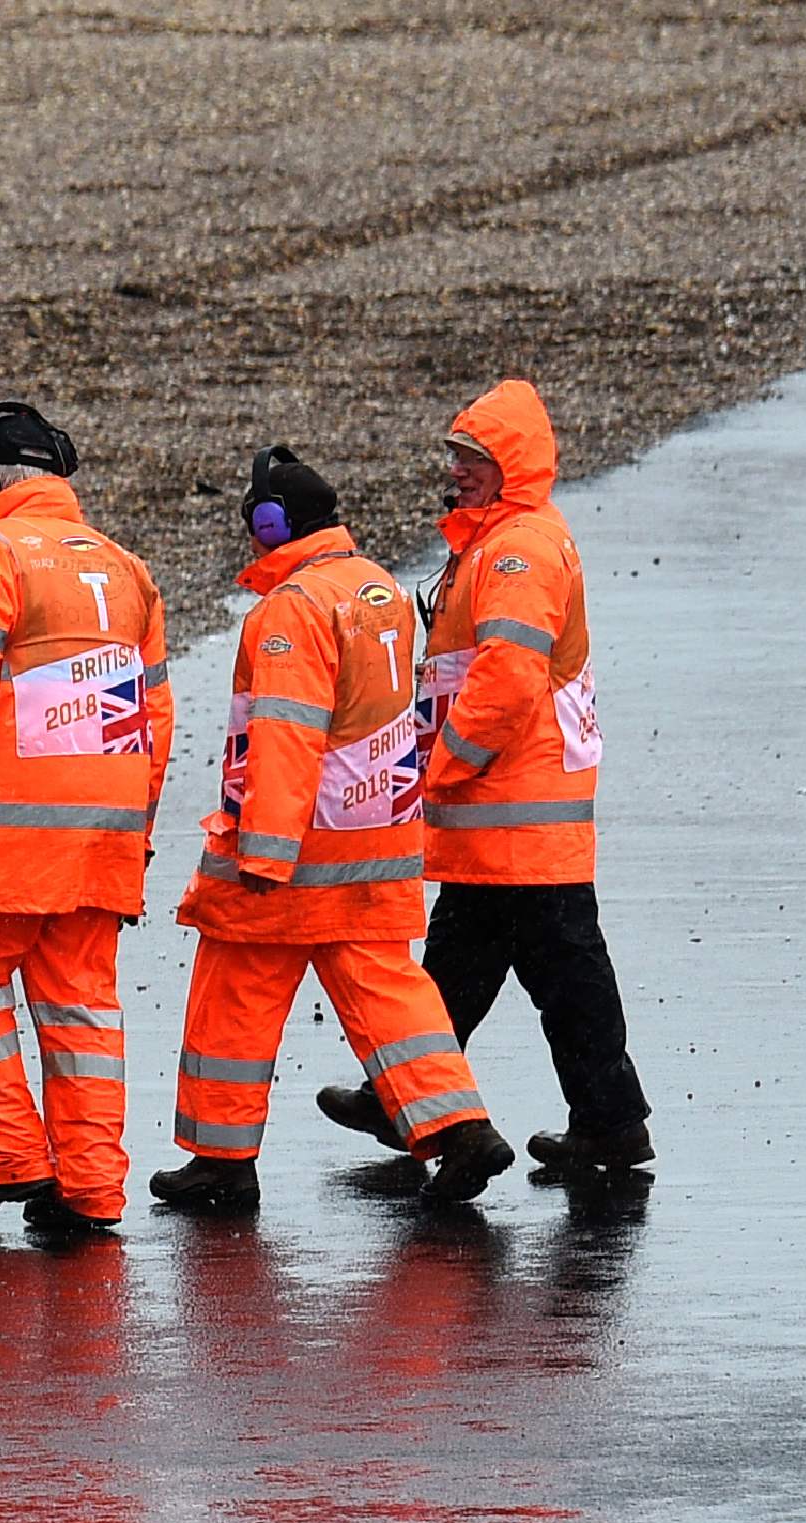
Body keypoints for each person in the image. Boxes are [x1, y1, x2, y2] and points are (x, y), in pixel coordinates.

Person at [150, 446, 514, 1215]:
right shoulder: (375, 588)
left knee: (234, 989)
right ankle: (461, 1126)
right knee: (391, 994)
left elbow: (284, 735)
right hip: (375, 846)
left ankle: (221, 1161)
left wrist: (264, 855)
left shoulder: (291, 610)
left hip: (300, 850)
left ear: (271, 523)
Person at [317, 381, 655, 1175]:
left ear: (513, 465)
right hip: (504, 824)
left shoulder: (516, 549)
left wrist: (442, 766)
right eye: (457, 457)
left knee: (555, 979)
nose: (459, 470)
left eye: (474, 458)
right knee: (466, 970)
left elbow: (507, 679)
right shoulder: (500, 541)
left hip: (516, 819)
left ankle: (600, 1121)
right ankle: (407, 1096)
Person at [0, 401, 173, 1243]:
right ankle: (91, 1189)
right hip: (96, 841)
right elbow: (154, 721)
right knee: (81, 1007)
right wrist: (133, 823)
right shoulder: (126, 569)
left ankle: (9, 1157)